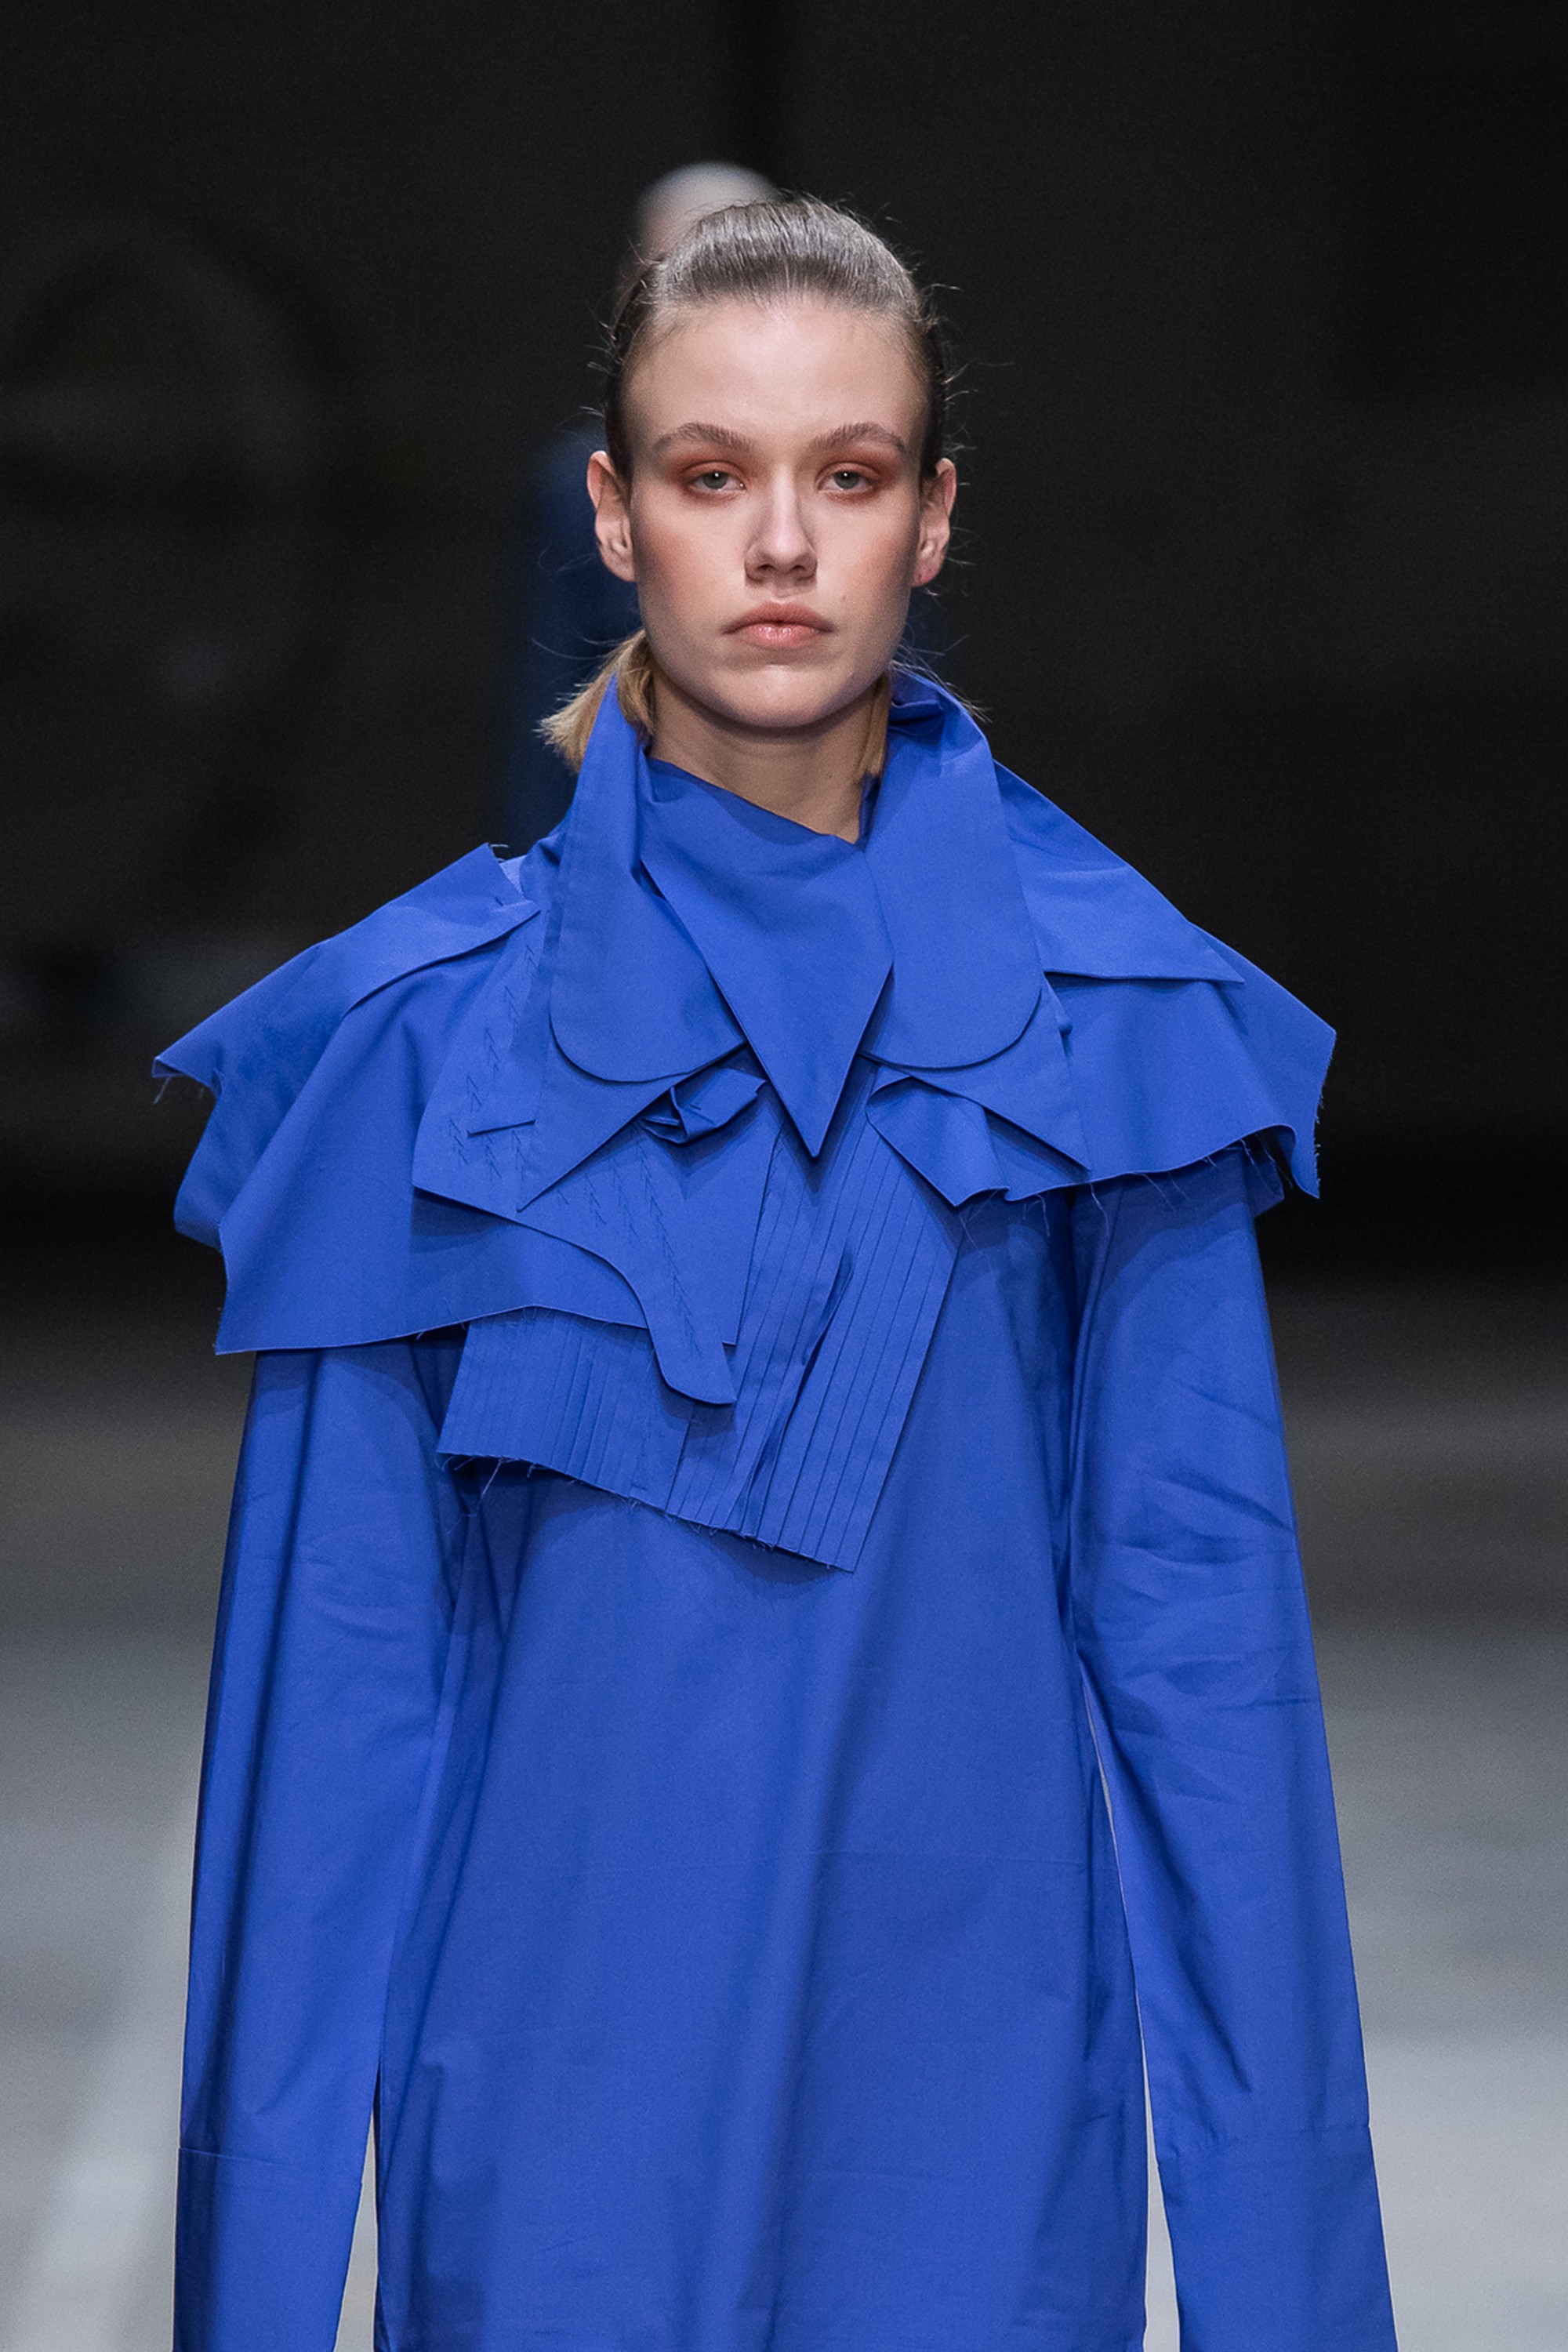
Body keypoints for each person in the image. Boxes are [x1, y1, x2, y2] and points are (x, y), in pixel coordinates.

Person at [160, 200, 1399, 2351]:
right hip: (542, 2111)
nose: (781, 544)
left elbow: (1207, 1678)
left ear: (934, 518)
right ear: (611, 512)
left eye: (848, 472)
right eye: (711, 471)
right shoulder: (421, 1055)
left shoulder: (1110, 1031)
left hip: (976, 2114)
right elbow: (328, 1719)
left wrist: (1290, 2307)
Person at [499, 164, 775, 849]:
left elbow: (910, 695)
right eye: (677, 280)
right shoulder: (573, 489)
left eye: (739, 281)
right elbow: (543, 719)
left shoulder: (861, 481)